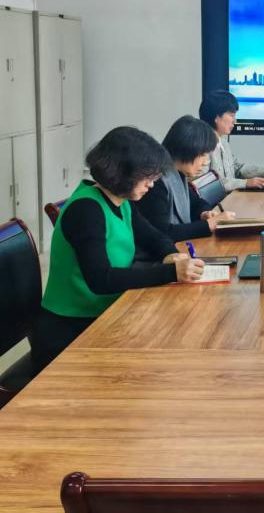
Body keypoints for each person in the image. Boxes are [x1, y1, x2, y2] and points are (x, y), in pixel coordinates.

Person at [30, 126, 204, 369]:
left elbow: (154, 236)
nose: (151, 184)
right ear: (122, 172)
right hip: (70, 333)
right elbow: (101, 279)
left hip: (107, 316)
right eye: (147, 177)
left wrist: (171, 255)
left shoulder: (121, 201)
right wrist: (171, 272)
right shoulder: (86, 210)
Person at [136, 115, 237, 241]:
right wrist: (209, 225)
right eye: (203, 155)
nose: (206, 162)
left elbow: (197, 202)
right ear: (187, 149)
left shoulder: (178, 173)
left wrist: (205, 213)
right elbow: (162, 232)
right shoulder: (155, 181)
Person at [198, 89, 264, 191]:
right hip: (219, 201)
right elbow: (206, 185)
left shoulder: (223, 142)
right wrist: (245, 183)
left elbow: (238, 169)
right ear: (216, 117)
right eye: (232, 115)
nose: (235, 121)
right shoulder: (201, 146)